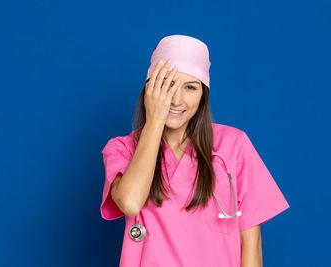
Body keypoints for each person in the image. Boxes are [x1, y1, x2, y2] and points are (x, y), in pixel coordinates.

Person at [100, 34, 290, 267]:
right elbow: (129, 203)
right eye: (167, 85)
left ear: (203, 96)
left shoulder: (234, 146)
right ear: (150, 90)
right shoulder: (122, 149)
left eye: (190, 87)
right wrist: (154, 121)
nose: (177, 100)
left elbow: (251, 242)